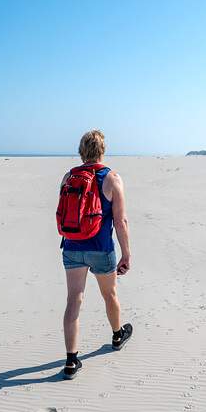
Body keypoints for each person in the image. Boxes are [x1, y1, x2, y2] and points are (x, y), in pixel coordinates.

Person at [60, 129, 132, 380]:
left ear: (81, 152)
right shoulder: (112, 178)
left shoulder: (69, 176)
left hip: (72, 247)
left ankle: (71, 361)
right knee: (109, 293)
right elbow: (120, 221)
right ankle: (117, 334)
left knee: (73, 301)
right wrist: (126, 254)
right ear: (103, 150)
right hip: (101, 248)